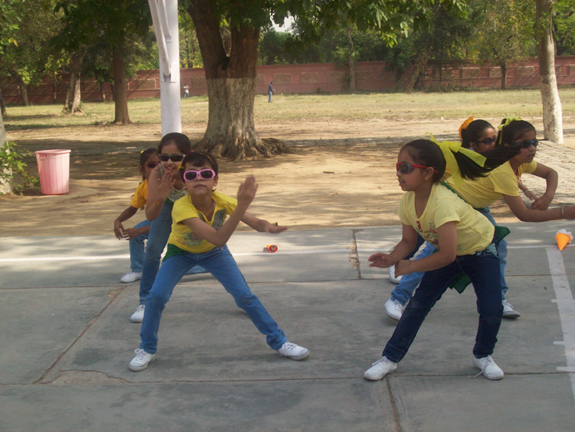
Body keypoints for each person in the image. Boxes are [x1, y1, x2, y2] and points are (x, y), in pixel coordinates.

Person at [129, 151, 309, 371]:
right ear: (184, 182)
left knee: (244, 296)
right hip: (180, 252)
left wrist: (268, 227)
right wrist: (241, 206)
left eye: (205, 174)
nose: (199, 179)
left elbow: (255, 223)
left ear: (215, 180)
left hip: (214, 253)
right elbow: (219, 238)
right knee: (156, 296)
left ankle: (280, 342)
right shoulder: (181, 206)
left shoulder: (223, 200)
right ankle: (147, 348)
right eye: (191, 175)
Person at [383, 118, 572, 321]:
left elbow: (551, 173)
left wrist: (548, 196)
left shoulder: (520, 163)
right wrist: (564, 213)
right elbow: (524, 215)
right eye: (525, 144)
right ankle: (398, 298)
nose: (532, 148)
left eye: (535, 142)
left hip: (474, 206)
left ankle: (498, 299)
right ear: (508, 146)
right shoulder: (503, 173)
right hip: (452, 203)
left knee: (497, 245)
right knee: (434, 250)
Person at [364, 138, 517, 382]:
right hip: (450, 254)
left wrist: (411, 266)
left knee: (491, 309)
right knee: (417, 306)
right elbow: (408, 242)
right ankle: (390, 358)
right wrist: (391, 258)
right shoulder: (407, 201)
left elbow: (447, 255)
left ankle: (483, 355)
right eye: (397, 167)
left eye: (405, 168)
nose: (398, 173)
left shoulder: (443, 203)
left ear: (427, 173)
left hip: (481, 251)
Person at [130, 133, 206, 324]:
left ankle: (245, 299)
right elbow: (150, 215)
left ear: (187, 156)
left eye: (176, 157)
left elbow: (208, 198)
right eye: (164, 157)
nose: (169, 162)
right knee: (153, 249)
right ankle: (145, 302)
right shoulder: (158, 173)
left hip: (192, 206)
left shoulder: (195, 169)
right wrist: (161, 197)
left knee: (216, 248)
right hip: (166, 206)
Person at [114, 148, 159, 283]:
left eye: (161, 164)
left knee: (186, 264)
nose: (157, 168)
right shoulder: (143, 187)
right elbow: (133, 208)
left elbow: (169, 222)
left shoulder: (171, 184)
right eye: (152, 165)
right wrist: (118, 220)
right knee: (135, 236)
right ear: (142, 169)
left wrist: (141, 230)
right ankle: (139, 270)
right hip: (158, 222)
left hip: (178, 223)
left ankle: (204, 265)